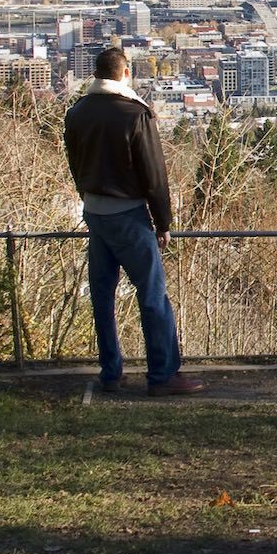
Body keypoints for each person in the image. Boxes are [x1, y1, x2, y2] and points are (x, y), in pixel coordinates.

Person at [63, 45, 204, 396]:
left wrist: (87, 196)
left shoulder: (77, 112)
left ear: (96, 74)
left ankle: (110, 372)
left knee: (102, 295)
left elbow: (74, 161)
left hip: (95, 213)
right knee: (153, 294)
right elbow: (154, 174)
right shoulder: (134, 114)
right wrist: (163, 221)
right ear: (125, 73)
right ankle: (162, 374)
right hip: (129, 214)